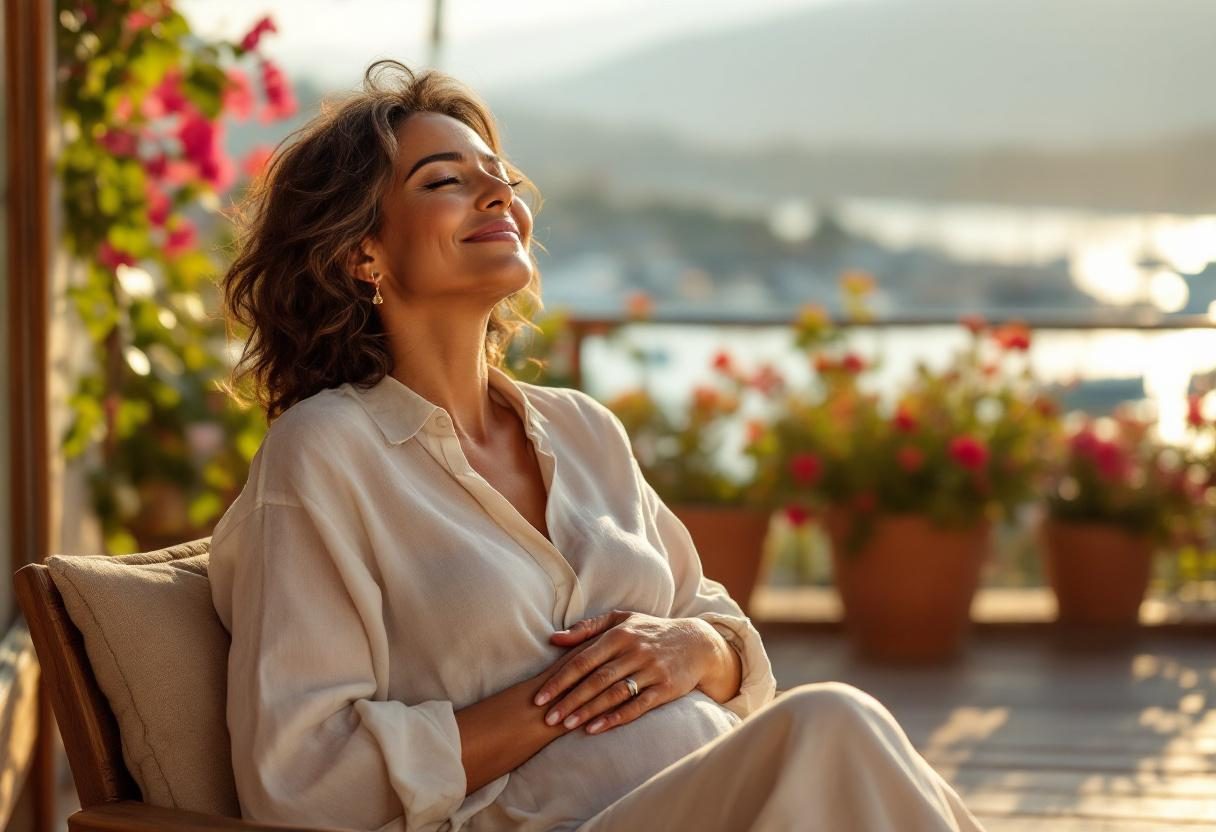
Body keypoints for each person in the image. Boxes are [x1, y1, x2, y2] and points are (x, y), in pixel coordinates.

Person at [208, 59, 986, 832]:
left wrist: (689, 651)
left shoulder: (584, 432)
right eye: (445, 181)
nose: (498, 194)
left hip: (710, 799)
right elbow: (299, 779)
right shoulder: (325, 455)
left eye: (500, 175)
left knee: (853, 747)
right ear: (362, 253)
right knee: (836, 727)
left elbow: (723, 638)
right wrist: (562, 702)